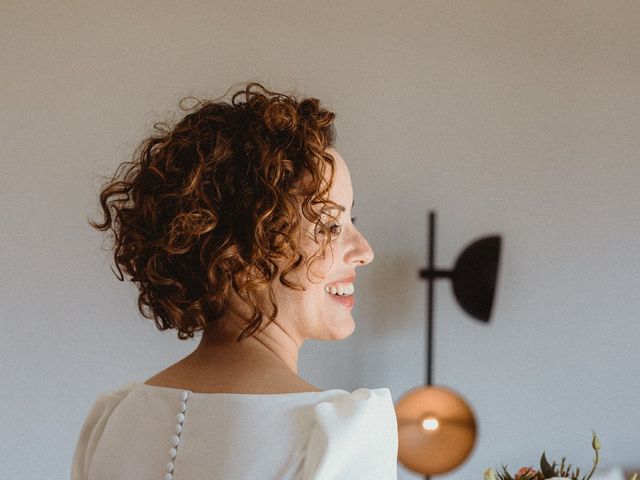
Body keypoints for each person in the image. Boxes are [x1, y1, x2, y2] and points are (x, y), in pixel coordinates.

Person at [71, 83, 398, 479]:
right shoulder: (339, 435)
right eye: (329, 225)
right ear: (243, 248)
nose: (364, 250)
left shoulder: (113, 421)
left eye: (351, 222)